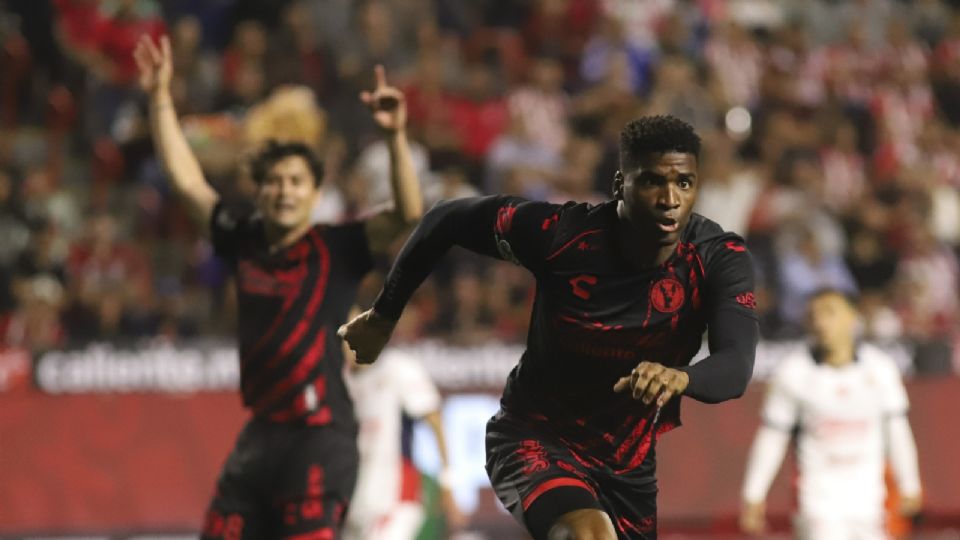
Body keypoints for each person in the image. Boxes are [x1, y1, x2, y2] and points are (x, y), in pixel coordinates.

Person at [340, 115, 759, 540]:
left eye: (684, 183)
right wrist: (384, 315)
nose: (670, 198)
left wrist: (681, 377)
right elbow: (446, 219)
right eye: (652, 181)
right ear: (620, 185)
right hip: (532, 437)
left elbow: (737, 365)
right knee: (588, 535)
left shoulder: (717, 257)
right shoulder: (562, 235)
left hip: (627, 467)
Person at [133, 35, 422, 538]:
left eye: (295, 181)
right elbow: (187, 182)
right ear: (258, 190)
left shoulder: (337, 247)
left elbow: (407, 213)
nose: (284, 190)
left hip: (320, 438)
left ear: (314, 193)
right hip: (260, 435)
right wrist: (160, 97)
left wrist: (396, 137)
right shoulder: (242, 240)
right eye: (274, 181)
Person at [739, 289, 922, 540]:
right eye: (813, 315)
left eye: (829, 312)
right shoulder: (793, 373)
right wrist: (753, 495)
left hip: (871, 501)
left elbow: (898, 431)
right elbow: (772, 437)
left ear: (851, 317)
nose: (821, 322)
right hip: (817, 501)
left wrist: (910, 484)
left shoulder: (880, 369)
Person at [343, 318, 465, 539]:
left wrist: (448, 482)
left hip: (395, 496)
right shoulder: (341, 380)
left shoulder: (397, 368)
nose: (345, 341)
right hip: (355, 500)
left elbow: (434, 419)